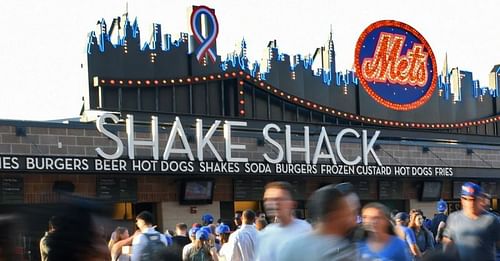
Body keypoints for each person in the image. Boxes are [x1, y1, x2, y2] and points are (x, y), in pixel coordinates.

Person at [277, 184, 359, 261]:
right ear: (336, 215)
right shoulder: (341, 252)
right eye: (349, 214)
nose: (353, 222)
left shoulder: (290, 246)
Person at [442, 182, 500, 261]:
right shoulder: (453, 218)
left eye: (473, 199)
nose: (470, 203)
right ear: (462, 200)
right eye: (466, 198)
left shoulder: (491, 220)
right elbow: (447, 243)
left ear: (480, 199)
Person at [256, 181, 312, 261]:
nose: (273, 204)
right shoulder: (264, 234)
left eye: (279, 199)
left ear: (292, 204)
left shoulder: (307, 231)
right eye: (267, 200)